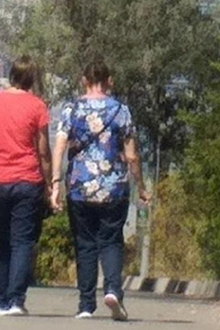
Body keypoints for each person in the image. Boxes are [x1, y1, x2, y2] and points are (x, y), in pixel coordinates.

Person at [50, 60, 151, 321]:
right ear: (109, 81)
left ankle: (85, 305)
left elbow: (59, 147)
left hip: (80, 187)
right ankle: (114, 290)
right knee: (111, 240)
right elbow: (131, 155)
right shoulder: (121, 111)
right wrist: (140, 186)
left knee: (84, 244)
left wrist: (55, 184)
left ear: (84, 80)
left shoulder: (71, 109)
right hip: (114, 187)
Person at [0, 55, 52, 317]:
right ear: (32, 79)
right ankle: (16, 299)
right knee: (22, 241)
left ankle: (3, 297)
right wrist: (50, 184)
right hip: (28, 180)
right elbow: (43, 151)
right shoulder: (38, 106)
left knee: (0, 240)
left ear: (10, 75)